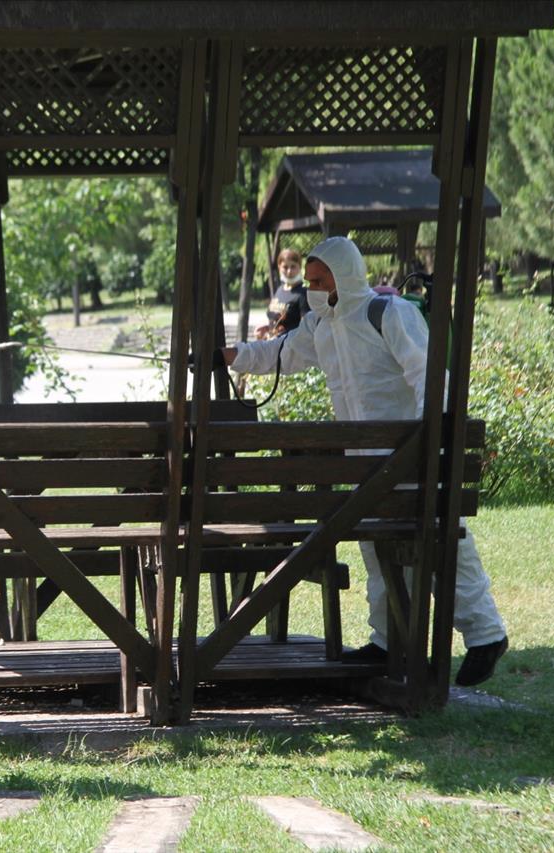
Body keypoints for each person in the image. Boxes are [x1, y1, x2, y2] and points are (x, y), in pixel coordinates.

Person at [215, 236, 508, 687]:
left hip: (411, 454)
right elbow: (280, 353)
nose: (311, 287)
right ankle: (388, 640)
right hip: (364, 464)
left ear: (344, 275)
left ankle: (485, 635)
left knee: (441, 543)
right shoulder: (320, 326)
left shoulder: (390, 313)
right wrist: (232, 356)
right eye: (309, 280)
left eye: (319, 279)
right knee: (378, 552)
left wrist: (432, 437)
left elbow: (428, 374)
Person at [255, 248, 311, 340]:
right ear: (279, 267)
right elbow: (276, 321)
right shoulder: (280, 290)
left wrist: (279, 337)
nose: (289, 271)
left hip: (290, 349)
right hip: (273, 346)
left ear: (300, 267)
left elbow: (305, 329)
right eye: (285, 267)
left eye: (293, 266)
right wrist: (266, 331)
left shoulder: (303, 293)